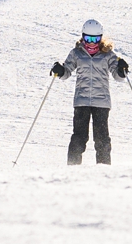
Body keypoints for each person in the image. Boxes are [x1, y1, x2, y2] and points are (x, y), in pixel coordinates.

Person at [53, 18, 127, 166]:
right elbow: (67, 72)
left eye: (95, 39)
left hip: (101, 102)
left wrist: (121, 70)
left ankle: (104, 169)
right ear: (83, 36)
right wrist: (60, 71)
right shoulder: (76, 53)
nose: (91, 42)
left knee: (102, 139)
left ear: (100, 38)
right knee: (79, 138)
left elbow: (118, 77)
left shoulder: (108, 55)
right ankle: (73, 168)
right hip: (82, 101)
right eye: (88, 38)